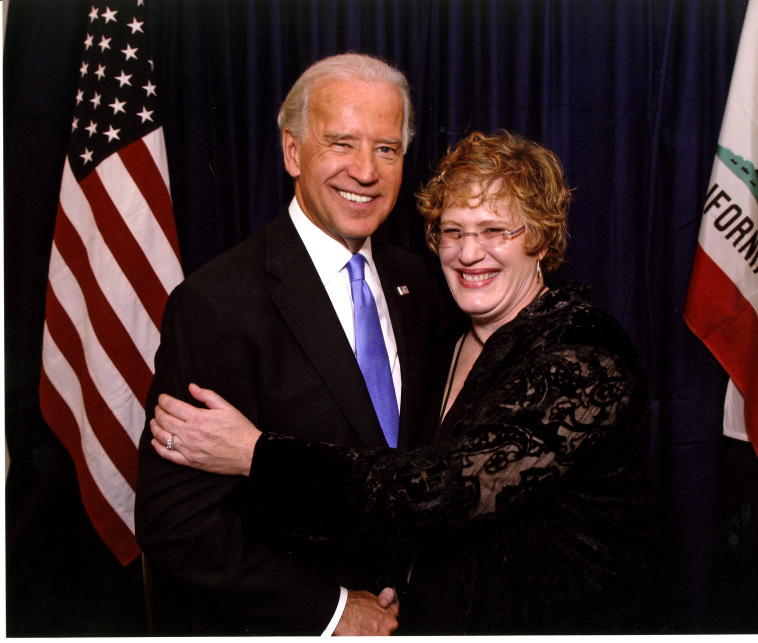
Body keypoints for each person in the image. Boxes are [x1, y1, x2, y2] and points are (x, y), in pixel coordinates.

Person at [150, 131, 655, 634]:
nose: (469, 253)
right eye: (453, 231)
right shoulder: (444, 334)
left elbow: (445, 491)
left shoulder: (584, 355)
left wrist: (256, 454)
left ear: (540, 238)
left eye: (495, 230)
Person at [134, 53, 457, 636]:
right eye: (341, 143)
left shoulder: (421, 285)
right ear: (292, 152)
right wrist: (332, 612)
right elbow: (177, 522)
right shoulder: (215, 303)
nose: (366, 171)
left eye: (387, 148)